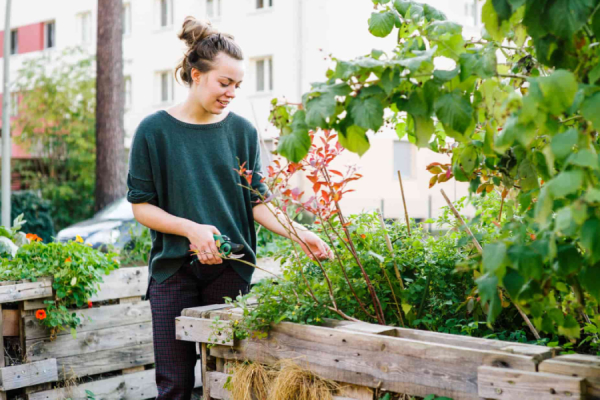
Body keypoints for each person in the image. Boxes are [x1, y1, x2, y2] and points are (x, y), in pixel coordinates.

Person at [126, 16, 333, 400]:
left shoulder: (242, 131)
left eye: (238, 85)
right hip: (173, 271)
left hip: (231, 271)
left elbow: (257, 202)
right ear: (196, 74)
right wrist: (192, 229)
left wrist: (300, 231)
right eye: (225, 82)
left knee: (228, 382)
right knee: (174, 385)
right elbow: (141, 206)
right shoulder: (154, 131)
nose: (232, 92)